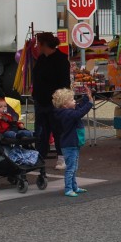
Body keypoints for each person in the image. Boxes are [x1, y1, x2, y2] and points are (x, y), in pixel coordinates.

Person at [32, 32, 71, 169]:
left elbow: (64, 83)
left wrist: (60, 101)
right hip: (40, 102)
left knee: (58, 130)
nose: (37, 46)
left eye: (38, 43)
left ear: (44, 44)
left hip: (55, 103)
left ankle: (62, 158)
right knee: (41, 132)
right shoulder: (41, 58)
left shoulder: (61, 60)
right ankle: (39, 157)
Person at [52, 87, 93, 197]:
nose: (74, 101)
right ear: (65, 104)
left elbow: (78, 108)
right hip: (69, 145)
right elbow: (79, 112)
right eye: (72, 99)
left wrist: (86, 97)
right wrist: (89, 103)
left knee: (74, 167)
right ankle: (68, 189)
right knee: (71, 168)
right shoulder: (66, 114)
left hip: (73, 144)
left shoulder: (68, 111)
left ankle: (74, 187)